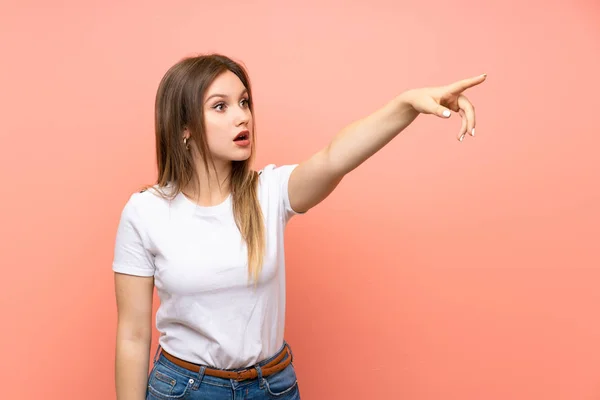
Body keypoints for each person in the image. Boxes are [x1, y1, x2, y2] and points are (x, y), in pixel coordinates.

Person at [112, 53, 486, 400]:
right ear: (184, 129)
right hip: (185, 388)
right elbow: (133, 335)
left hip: (271, 386)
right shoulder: (146, 212)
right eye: (220, 107)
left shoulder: (267, 193)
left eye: (244, 102)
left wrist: (406, 104)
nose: (242, 117)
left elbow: (334, 158)